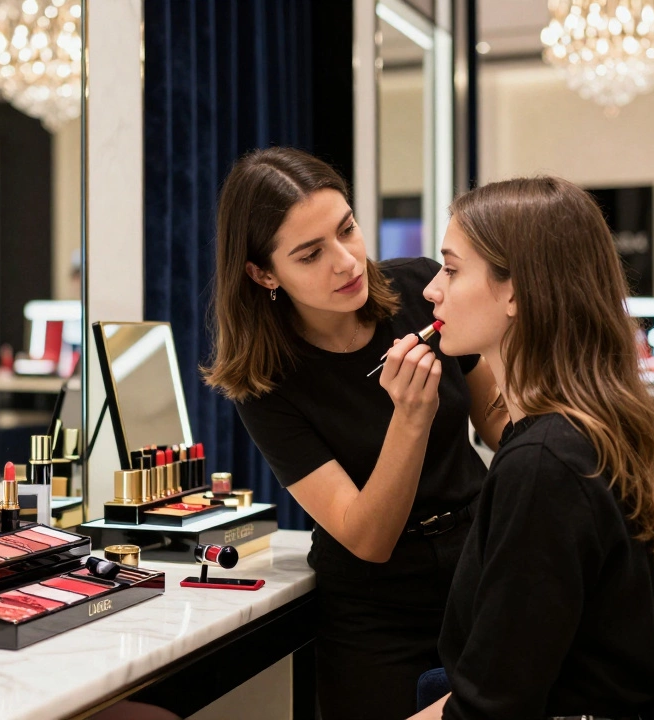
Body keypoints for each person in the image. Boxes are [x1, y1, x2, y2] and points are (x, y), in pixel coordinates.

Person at [202, 147, 508, 720]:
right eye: (311, 254)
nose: (346, 262)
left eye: (347, 229)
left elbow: (498, 422)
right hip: (374, 613)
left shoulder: (423, 288)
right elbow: (369, 537)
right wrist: (409, 418)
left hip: (479, 564)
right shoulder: (265, 384)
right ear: (263, 273)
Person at [415, 177, 654, 719]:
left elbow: (491, 707)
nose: (432, 290)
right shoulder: (572, 433)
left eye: (451, 270)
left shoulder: (544, 466)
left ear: (517, 292)